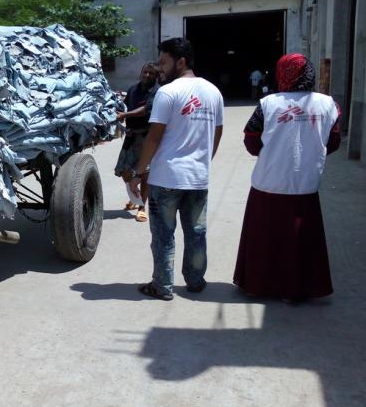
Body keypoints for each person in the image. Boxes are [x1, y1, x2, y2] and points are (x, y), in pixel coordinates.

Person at [234, 53, 340, 303]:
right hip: (306, 182)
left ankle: (258, 285)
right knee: (300, 238)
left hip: (268, 182)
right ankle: (296, 290)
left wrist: (274, 152)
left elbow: (251, 141)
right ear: (310, 74)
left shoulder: (268, 103)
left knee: (265, 237)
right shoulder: (328, 104)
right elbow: (333, 141)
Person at [130, 38, 224, 301]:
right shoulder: (213, 92)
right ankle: (195, 282)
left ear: (180, 61)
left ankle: (162, 286)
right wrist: (204, 161)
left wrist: (139, 172)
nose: (160, 68)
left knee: (163, 235)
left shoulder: (168, 92)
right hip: (197, 178)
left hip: (166, 177)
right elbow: (217, 133)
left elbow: (154, 136)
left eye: (163, 62)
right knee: (196, 233)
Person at [114, 62, 159, 222]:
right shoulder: (133, 89)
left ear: (156, 76)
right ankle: (136, 196)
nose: (147, 75)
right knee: (123, 170)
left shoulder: (157, 91)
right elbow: (124, 105)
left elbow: (146, 110)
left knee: (145, 173)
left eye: (151, 73)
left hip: (147, 138)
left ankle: (142, 207)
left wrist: (124, 116)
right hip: (131, 136)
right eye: (145, 72)